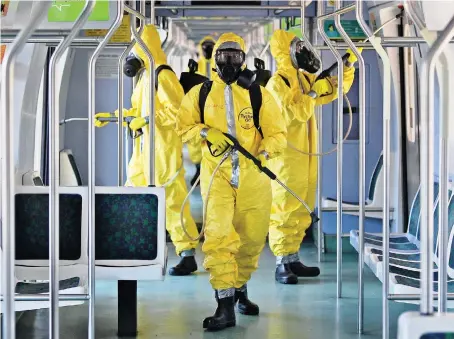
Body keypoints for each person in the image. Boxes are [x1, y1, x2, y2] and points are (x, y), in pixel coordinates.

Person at [177, 32, 286, 331]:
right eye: (223, 56)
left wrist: (266, 149)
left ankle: (240, 289)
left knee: (250, 240)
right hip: (217, 176)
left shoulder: (258, 94)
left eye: (235, 57)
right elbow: (183, 125)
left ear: (243, 59)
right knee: (218, 237)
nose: (229, 62)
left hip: (254, 179)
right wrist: (204, 132)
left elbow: (278, 132)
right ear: (215, 60)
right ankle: (224, 305)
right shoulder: (199, 94)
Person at [94, 25, 200, 276]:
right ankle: (132, 245)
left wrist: (149, 119)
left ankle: (187, 253)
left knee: (172, 199)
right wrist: (114, 116)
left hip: (162, 148)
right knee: (133, 191)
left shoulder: (163, 76)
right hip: (142, 148)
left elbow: (177, 112)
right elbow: (137, 111)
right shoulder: (143, 76)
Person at [266, 29, 361, 284]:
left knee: (303, 204)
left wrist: (347, 66)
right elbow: (292, 114)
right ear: (285, 52)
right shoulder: (277, 83)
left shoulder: (302, 79)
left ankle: (292, 257)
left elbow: (329, 91)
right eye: (296, 48)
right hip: (286, 155)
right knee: (286, 206)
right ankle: (281, 262)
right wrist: (312, 94)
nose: (302, 52)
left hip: (306, 153)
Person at [187, 36, 216, 186]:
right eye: (205, 47)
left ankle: (214, 170)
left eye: (211, 46)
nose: (208, 50)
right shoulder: (196, 67)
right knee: (196, 139)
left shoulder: (220, 66)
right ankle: (199, 168)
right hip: (198, 106)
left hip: (216, 109)